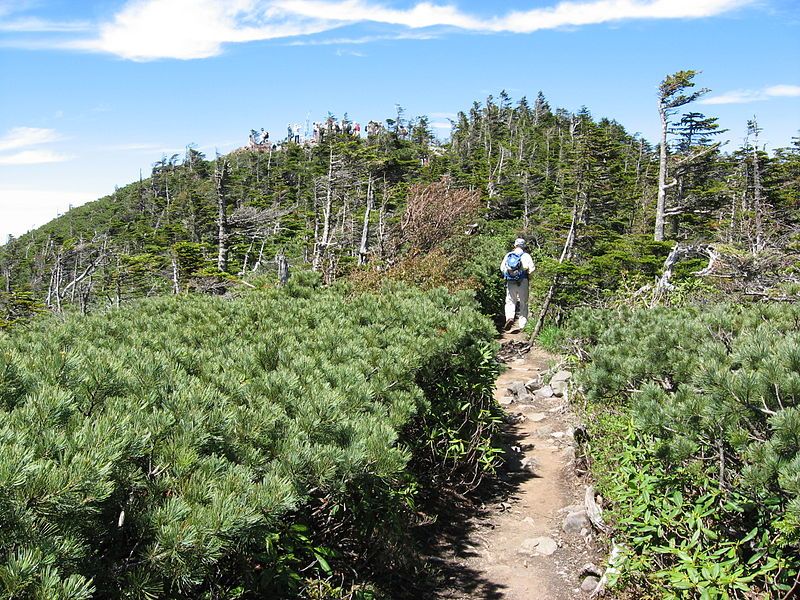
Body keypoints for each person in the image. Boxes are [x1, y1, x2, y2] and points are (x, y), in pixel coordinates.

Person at [500, 238, 535, 331]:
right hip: (523, 281)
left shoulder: (509, 255)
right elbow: (532, 269)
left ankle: (510, 318)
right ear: (523, 246)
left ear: (515, 245)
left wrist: (510, 274)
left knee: (510, 301)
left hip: (510, 282)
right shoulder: (526, 256)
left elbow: (502, 268)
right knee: (524, 302)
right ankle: (522, 325)